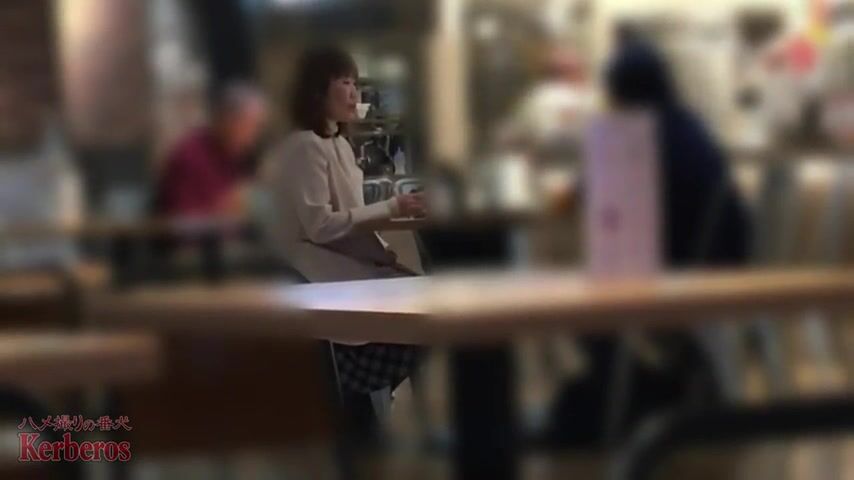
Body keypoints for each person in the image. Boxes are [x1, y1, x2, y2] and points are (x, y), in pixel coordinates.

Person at [546, 40, 752, 447]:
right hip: (721, 258)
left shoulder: (633, 134)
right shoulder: (688, 127)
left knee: (582, 304)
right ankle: (649, 390)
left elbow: (588, 197)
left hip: (684, 272)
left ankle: (621, 402)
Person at [263, 46, 425, 429]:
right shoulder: (305, 146)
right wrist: (391, 208)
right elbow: (321, 225)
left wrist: (382, 252)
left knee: (425, 304)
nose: (355, 93)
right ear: (318, 90)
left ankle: (367, 412)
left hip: (346, 270)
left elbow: (348, 222)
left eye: (355, 83)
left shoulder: (338, 144)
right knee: (423, 315)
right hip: (320, 279)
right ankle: (366, 408)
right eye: (345, 83)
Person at [155, 82, 268, 217]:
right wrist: (229, 205)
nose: (253, 137)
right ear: (228, 120)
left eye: (257, 128)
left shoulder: (238, 156)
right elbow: (182, 220)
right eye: (250, 126)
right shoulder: (190, 155)